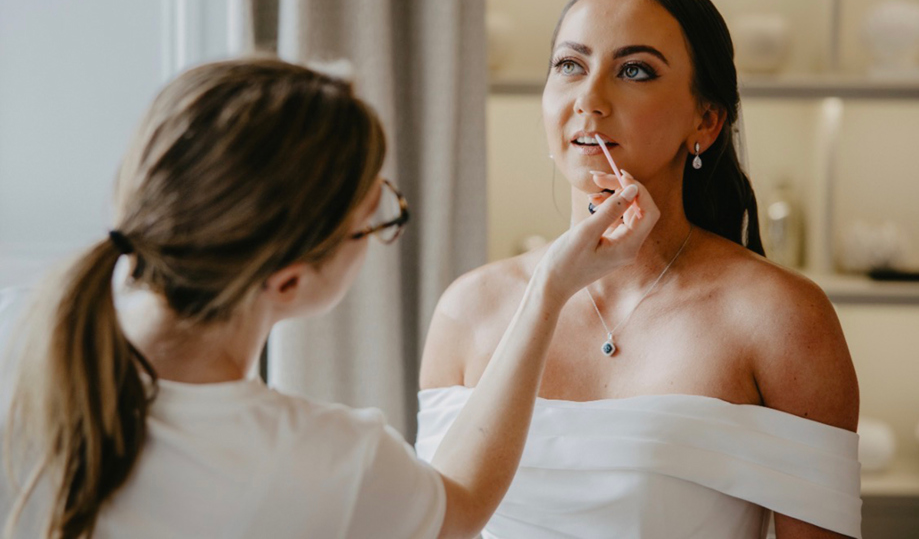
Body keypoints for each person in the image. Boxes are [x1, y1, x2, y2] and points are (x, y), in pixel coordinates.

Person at [0, 59, 656, 539]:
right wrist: (549, 293)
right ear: (288, 281)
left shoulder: (16, 337)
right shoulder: (324, 462)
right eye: (376, 220)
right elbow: (458, 506)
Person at [417, 0, 862, 539]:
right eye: (569, 65)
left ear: (706, 120)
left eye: (635, 70)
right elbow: (434, 524)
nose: (589, 99)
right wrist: (548, 292)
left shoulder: (781, 318)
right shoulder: (469, 308)